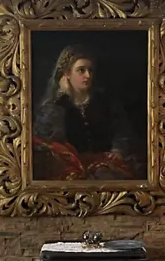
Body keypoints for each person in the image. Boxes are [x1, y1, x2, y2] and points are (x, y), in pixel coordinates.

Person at [32, 44, 137, 181]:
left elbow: (122, 131)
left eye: (90, 70)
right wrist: (63, 95)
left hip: (105, 165)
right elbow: (49, 139)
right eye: (81, 70)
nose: (88, 75)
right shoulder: (55, 105)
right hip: (72, 169)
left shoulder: (105, 101)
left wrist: (118, 150)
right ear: (67, 73)